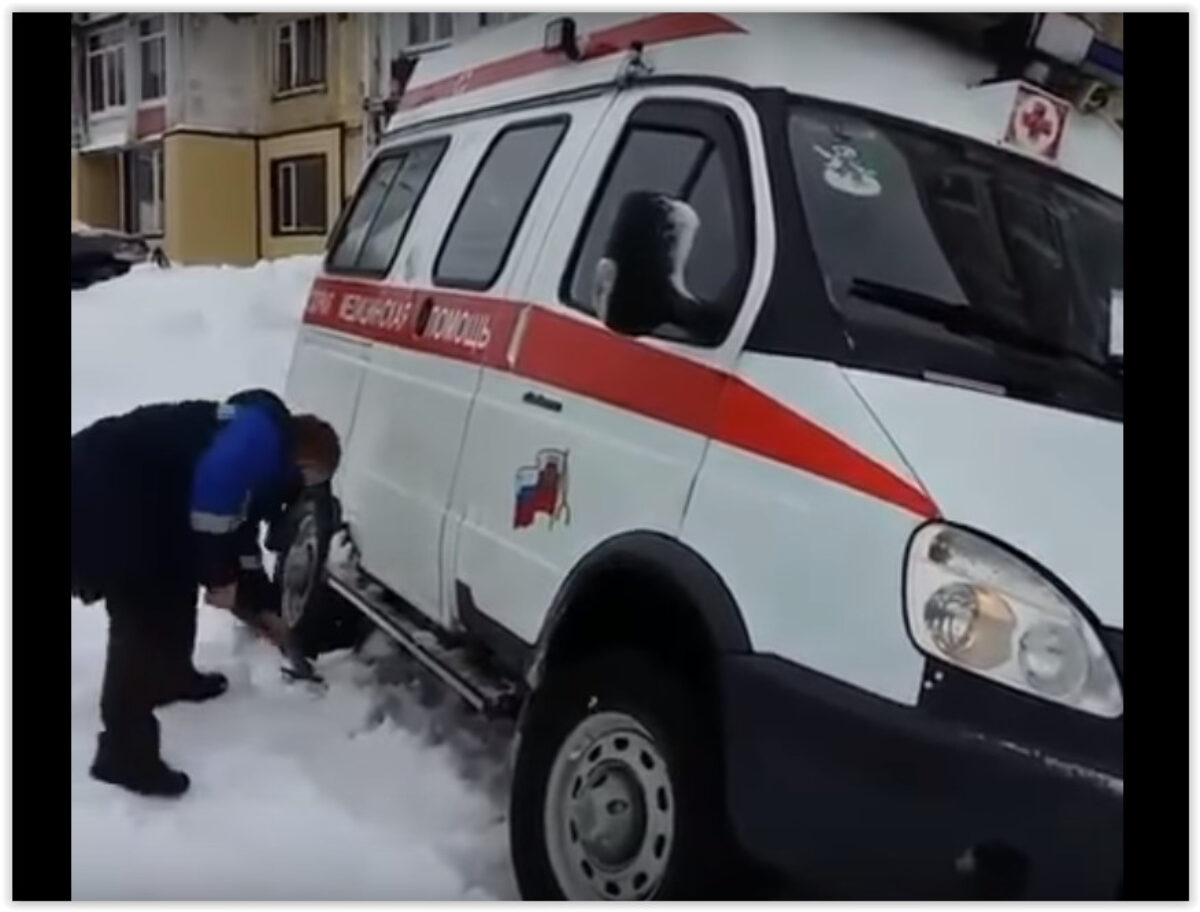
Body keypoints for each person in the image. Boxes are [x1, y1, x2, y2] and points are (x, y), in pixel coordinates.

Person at [71, 388, 341, 798]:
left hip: (134, 497)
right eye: (310, 482)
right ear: (302, 461)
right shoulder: (262, 436)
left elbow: (239, 539)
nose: (303, 493)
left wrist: (261, 606)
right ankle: (124, 755)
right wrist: (219, 576)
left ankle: (172, 677)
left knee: (173, 576)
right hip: (100, 495)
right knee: (146, 611)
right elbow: (215, 495)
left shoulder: (261, 450)